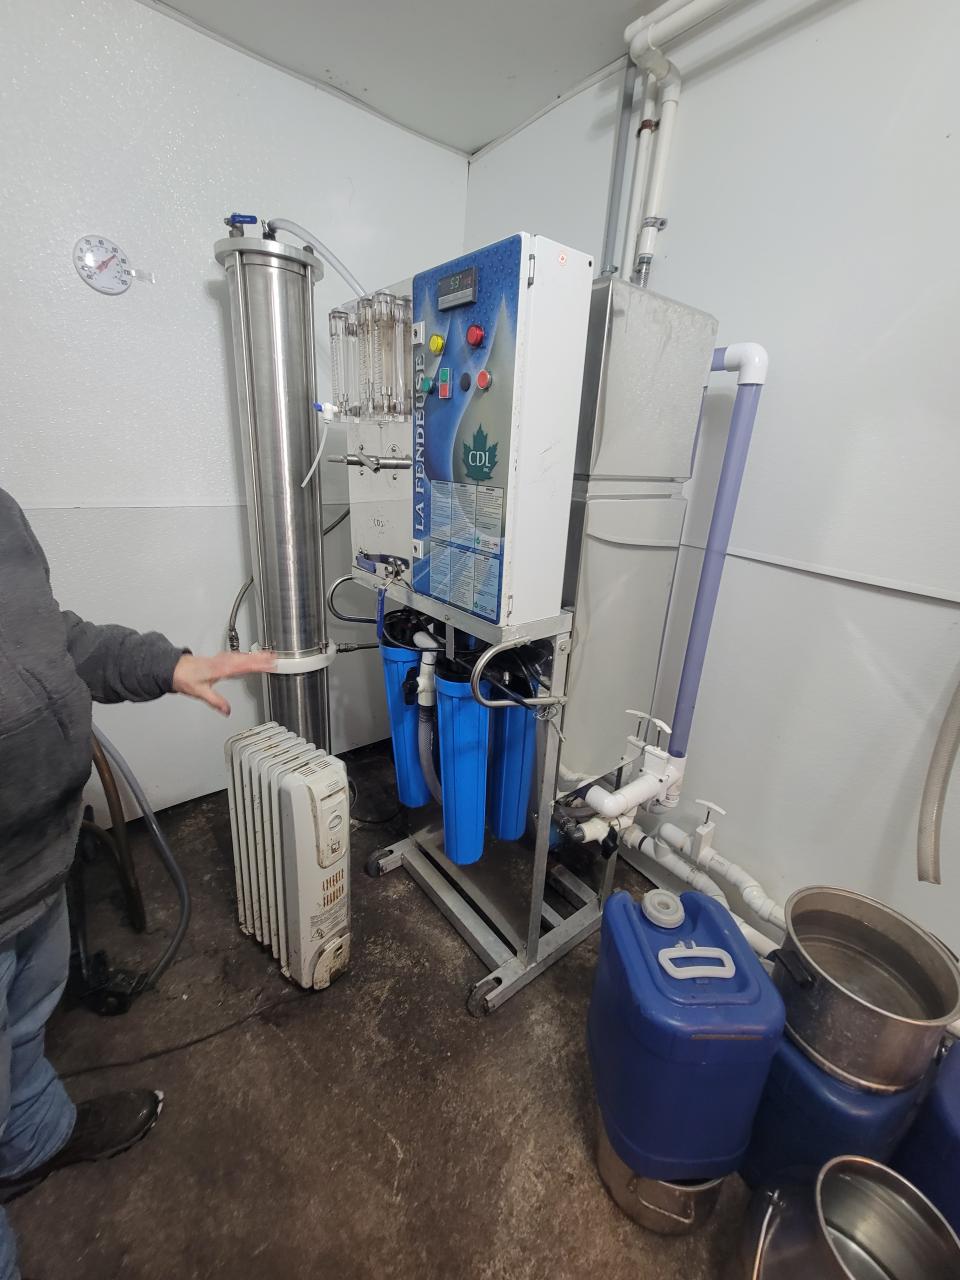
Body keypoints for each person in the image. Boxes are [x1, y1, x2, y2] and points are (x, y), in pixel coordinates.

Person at [0, 487, 274, 1280]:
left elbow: (50, 640)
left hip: (36, 862)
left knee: (24, 1026)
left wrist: (167, 663)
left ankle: (34, 1137)